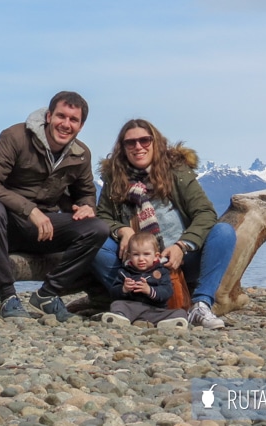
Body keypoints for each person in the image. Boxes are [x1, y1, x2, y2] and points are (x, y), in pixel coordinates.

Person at [0, 91, 110, 321]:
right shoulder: (16, 137)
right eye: (61, 116)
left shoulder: (81, 154)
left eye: (73, 120)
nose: (66, 124)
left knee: (97, 228)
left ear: (81, 126)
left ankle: (48, 294)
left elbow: (85, 193)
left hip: (45, 230)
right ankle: (7, 296)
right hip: (7, 226)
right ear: (48, 116)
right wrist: (30, 210)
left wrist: (87, 206)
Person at [92, 119, 236, 329]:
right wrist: (122, 230)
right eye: (130, 142)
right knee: (94, 242)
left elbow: (205, 213)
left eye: (144, 140)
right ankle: (134, 298)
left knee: (224, 232)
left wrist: (182, 245)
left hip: (181, 260)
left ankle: (201, 305)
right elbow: (103, 215)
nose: (138, 147)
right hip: (135, 264)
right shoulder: (115, 178)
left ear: (155, 142)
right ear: (122, 148)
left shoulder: (176, 171)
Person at [101, 232, 187, 329]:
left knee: (180, 312)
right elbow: (113, 292)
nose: (141, 259)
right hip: (132, 309)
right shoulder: (125, 272)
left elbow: (167, 292)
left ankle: (168, 323)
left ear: (156, 256)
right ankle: (120, 318)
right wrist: (124, 289)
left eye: (146, 254)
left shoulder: (161, 271)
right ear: (129, 256)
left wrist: (149, 290)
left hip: (154, 310)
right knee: (117, 304)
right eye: (136, 254)